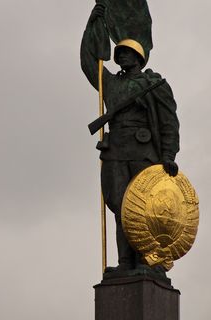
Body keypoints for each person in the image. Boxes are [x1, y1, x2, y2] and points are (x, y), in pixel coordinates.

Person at [80, 4, 180, 274]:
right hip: (115, 151)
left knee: (145, 208)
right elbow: (90, 62)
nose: (121, 56)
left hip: (144, 151)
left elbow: (169, 122)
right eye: (119, 53)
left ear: (138, 56)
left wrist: (169, 155)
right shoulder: (111, 84)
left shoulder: (153, 85)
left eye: (126, 53)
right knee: (121, 209)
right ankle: (125, 263)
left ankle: (148, 261)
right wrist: (94, 24)